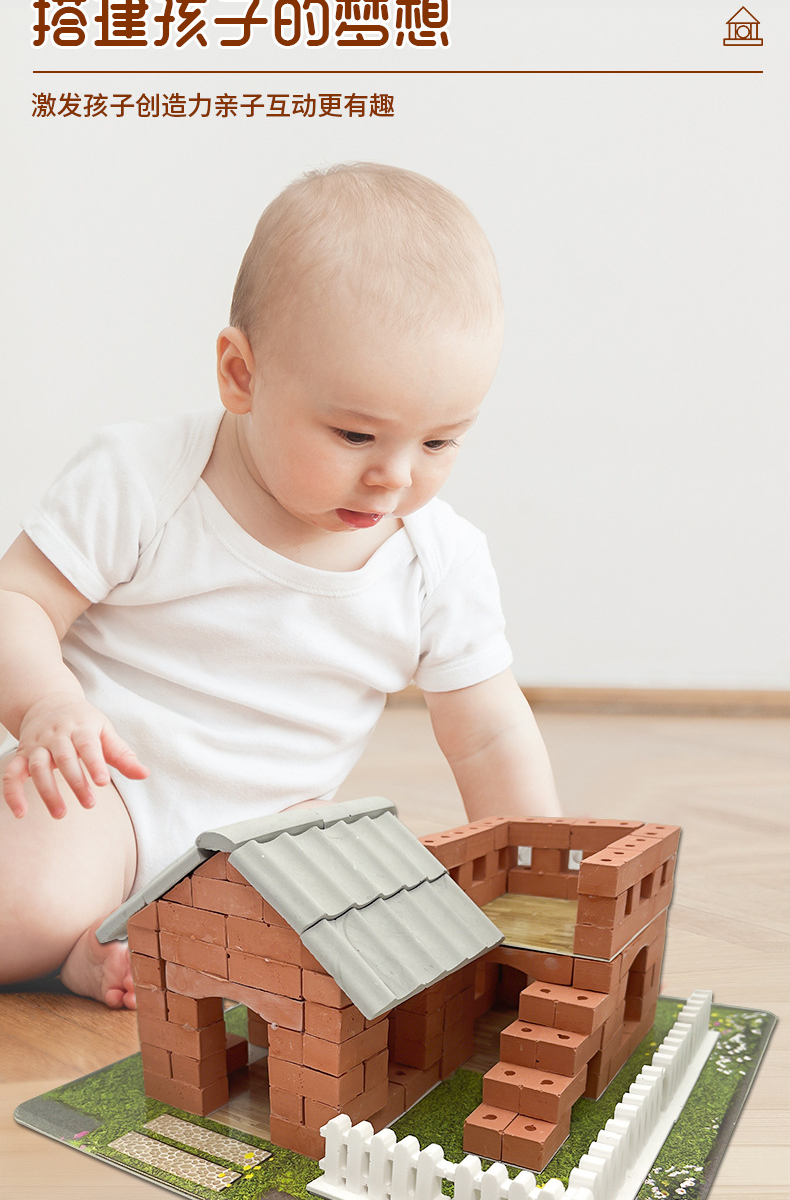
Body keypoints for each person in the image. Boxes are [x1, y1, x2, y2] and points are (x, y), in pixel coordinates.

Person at [0, 162, 560, 1009]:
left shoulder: (436, 562)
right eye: (355, 434)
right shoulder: (144, 478)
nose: (395, 477)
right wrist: (46, 704)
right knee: (25, 907)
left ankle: (119, 945)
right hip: (103, 789)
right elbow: (20, 601)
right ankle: (68, 943)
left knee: (384, 937)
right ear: (241, 374)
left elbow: (487, 735)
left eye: (440, 443)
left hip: (273, 838)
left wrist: (540, 882)